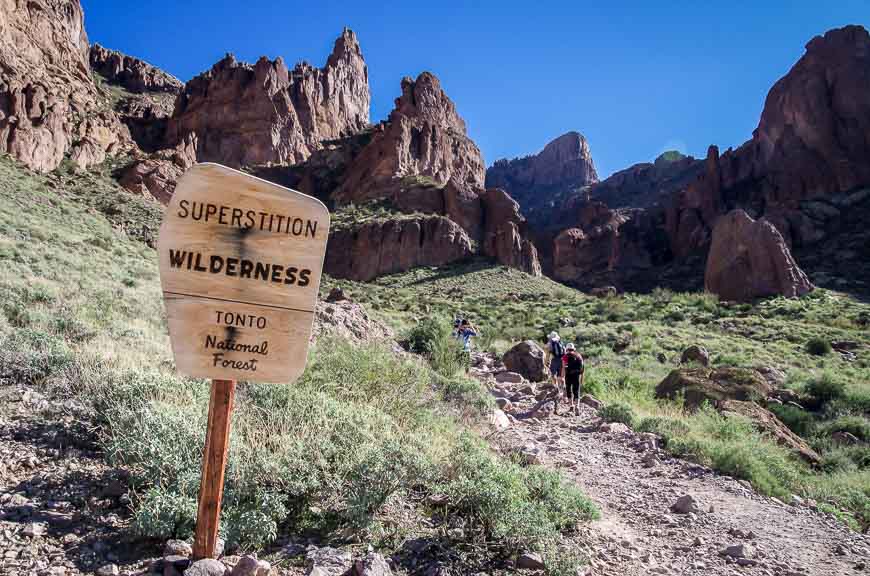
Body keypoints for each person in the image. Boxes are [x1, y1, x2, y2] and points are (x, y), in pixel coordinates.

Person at [561, 343, 585, 415]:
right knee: (576, 391)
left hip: (568, 375)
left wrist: (562, 376)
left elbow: (563, 367)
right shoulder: (578, 356)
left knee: (569, 390)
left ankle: (571, 406)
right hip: (577, 375)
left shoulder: (565, 356)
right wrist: (582, 377)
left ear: (567, 349)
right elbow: (582, 368)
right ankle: (577, 406)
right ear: (574, 349)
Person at [545, 331, 565, 401]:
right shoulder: (560, 342)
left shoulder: (550, 343)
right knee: (561, 376)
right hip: (562, 360)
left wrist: (547, 362)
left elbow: (548, 354)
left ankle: (556, 387)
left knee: (553, 374)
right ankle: (562, 391)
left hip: (555, 360)